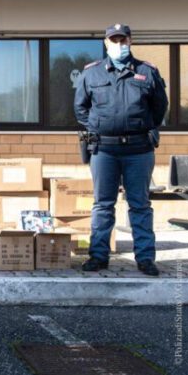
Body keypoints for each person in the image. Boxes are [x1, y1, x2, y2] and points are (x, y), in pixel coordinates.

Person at [74, 24, 168, 276]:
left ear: (130, 40)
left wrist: (140, 125)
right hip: (104, 150)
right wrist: (100, 126)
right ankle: (98, 256)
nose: (118, 44)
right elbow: (80, 109)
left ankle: (145, 259)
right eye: (113, 40)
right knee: (103, 205)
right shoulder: (91, 74)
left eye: (122, 39)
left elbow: (160, 107)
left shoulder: (147, 72)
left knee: (140, 205)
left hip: (139, 150)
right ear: (106, 43)